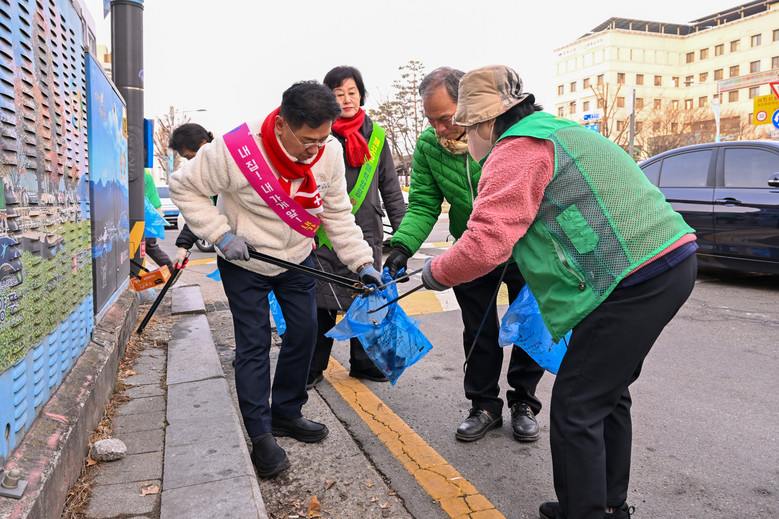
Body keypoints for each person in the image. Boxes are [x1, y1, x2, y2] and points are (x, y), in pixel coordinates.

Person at [420, 65, 698, 519]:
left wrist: (436, 271)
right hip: (667, 262)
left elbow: (486, 242)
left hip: (633, 277)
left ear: (485, 121)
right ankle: (606, 505)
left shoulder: (517, 149)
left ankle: (583, 512)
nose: (466, 136)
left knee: (575, 406)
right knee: (606, 393)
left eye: (466, 126)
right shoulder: (558, 131)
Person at [169, 81, 382, 478]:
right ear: (281, 124)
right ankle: (260, 434)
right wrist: (220, 234)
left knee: (304, 334)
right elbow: (184, 186)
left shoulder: (329, 151)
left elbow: (337, 213)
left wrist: (362, 262)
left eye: (322, 139)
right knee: (254, 344)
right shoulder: (235, 149)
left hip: (298, 258)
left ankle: (286, 412)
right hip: (245, 261)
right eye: (307, 140)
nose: (315, 149)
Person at [383, 67, 544, 443]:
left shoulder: (506, 135)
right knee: (478, 331)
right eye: (432, 120)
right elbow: (423, 204)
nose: (439, 128)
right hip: (472, 249)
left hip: (526, 250)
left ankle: (524, 402)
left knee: (530, 326)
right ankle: (485, 405)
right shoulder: (428, 146)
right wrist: (402, 246)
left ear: (469, 106)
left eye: (446, 118)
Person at [307, 66, 407, 388]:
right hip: (325, 231)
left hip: (366, 231)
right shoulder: (319, 134)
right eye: (338, 94)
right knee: (321, 302)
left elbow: (390, 188)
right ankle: (313, 366)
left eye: (352, 92)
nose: (347, 99)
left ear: (361, 95)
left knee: (365, 297)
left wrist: (404, 239)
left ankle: (363, 363)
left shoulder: (376, 137)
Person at [167, 123, 215, 267]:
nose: (190, 163)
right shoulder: (202, 175)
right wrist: (183, 247)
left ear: (203, 144)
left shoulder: (230, 166)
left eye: (190, 157)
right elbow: (198, 213)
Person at [143, 168, 173, 270]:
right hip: (152, 210)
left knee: (147, 244)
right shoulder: (143, 170)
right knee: (148, 244)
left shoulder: (137, 171)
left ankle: (170, 268)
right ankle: (170, 267)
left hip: (149, 212)